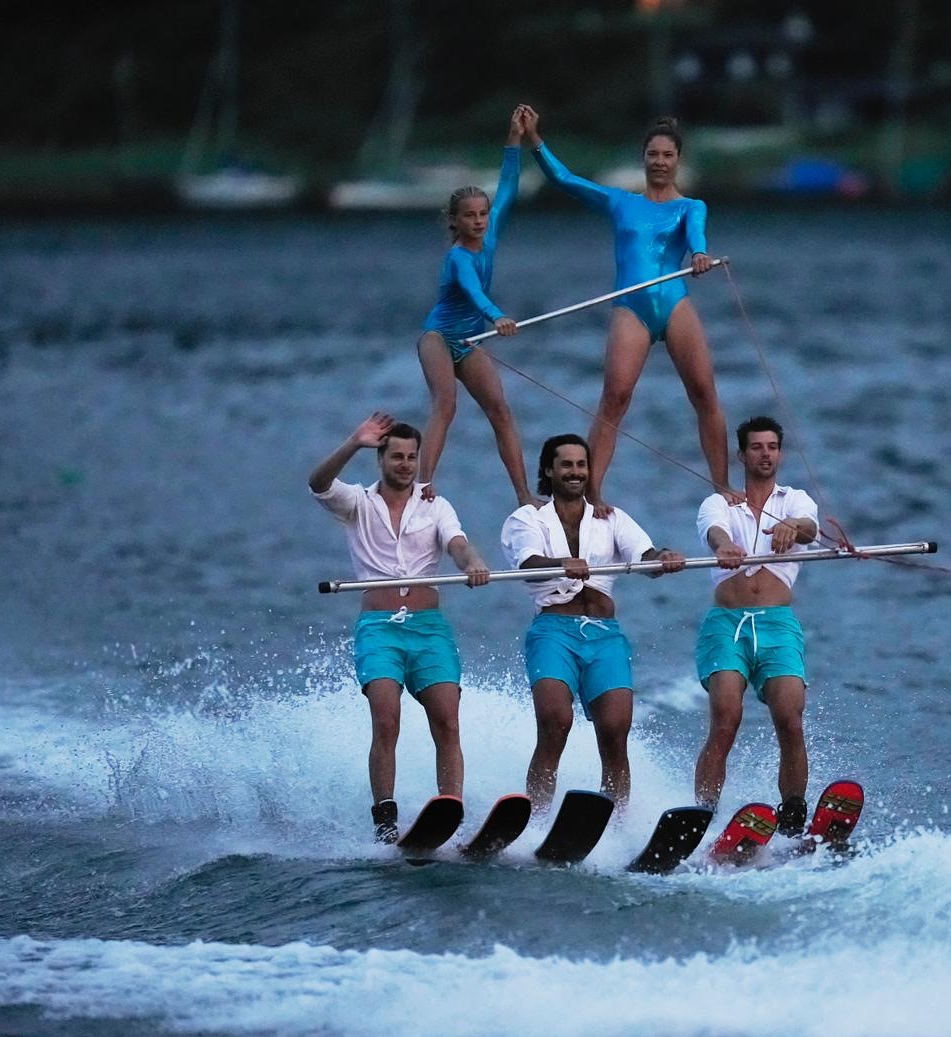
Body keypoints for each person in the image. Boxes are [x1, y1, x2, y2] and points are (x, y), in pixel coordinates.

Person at [517, 105, 737, 512]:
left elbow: (696, 236)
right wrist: (534, 141)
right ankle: (592, 493)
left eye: (667, 155)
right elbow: (564, 179)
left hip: (673, 303)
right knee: (615, 397)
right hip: (631, 308)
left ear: (678, 160)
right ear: (644, 158)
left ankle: (721, 485)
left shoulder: (691, 207)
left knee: (705, 392)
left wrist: (701, 254)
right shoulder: (621, 202)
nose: (659, 162)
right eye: (653, 154)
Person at [309, 412, 491, 843]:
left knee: (447, 719)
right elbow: (317, 483)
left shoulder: (435, 504)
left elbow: (457, 544)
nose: (405, 464)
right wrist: (354, 441)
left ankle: (451, 809)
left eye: (412, 457)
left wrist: (474, 563)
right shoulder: (357, 503)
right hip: (379, 629)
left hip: (429, 629)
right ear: (381, 460)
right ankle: (385, 819)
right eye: (397, 457)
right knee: (386, 719)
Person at [501, 433, 685, 815]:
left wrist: (662, 558)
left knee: (616, 732)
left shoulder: (610, 517)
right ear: (549, 470)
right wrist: (559, 563)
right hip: (553, 633)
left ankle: (617, 823)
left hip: (604, 636)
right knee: (555, 722)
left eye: (581, 465)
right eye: (566, 465)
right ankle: (535, 818)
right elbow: (528, 564)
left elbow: (644, 555)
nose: (575, 472)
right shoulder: (528, 518)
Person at [691, 415, 820, 834]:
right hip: (727, 624)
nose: (766, 454)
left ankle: (794, 814)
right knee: (726, 716)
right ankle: (703, 815)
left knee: (791, 718)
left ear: (780, 453)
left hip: (778, 625)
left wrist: (792, 526)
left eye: (772, 447)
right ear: (742, 454)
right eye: (757, 447)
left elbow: (809, 528)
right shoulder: (720, 502)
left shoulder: (795, 500)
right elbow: (714, 532)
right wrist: (725, 545)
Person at [417, 106, 537, 507]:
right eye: (469, 216)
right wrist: (497, 316)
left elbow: (508, 183)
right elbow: (472, 291)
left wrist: (514, 138)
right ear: (455, 221)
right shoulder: (458, 257)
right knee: (445, 405)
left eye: (483, 214)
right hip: (439, 336)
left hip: (469, 340)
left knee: (501, 411)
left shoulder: (491, 231)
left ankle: (524, 496)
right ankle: (422, 488)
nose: (480, 221)